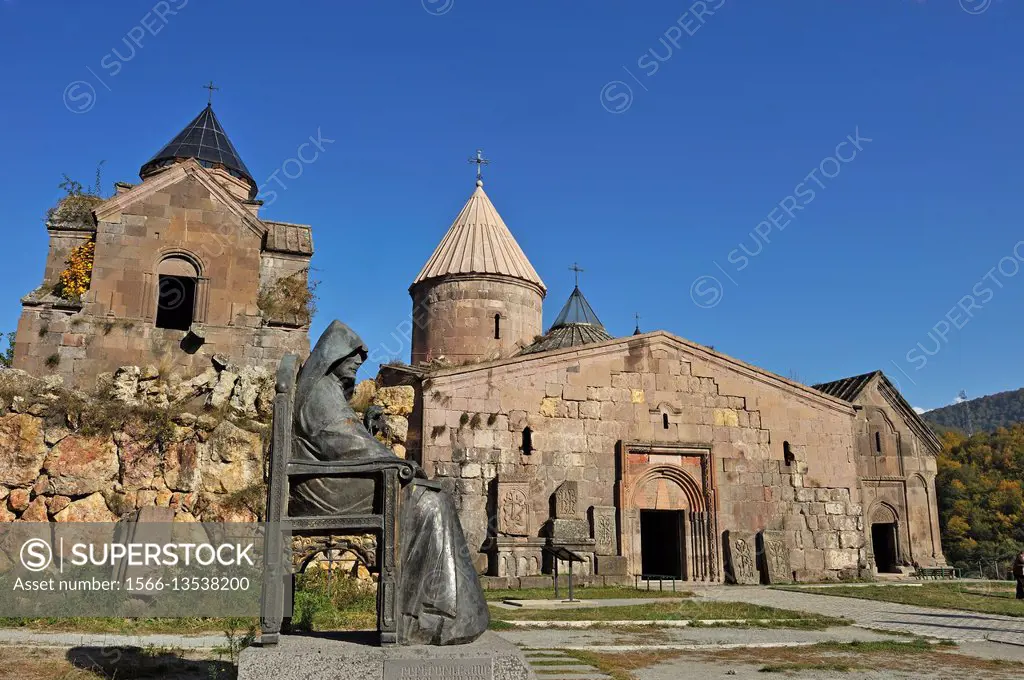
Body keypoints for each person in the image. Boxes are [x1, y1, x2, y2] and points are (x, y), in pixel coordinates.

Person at [290, 320, 489, 645]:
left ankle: (438, 611)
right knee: (429, 502)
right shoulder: (321, 394)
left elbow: (347, 440)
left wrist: (368, 432)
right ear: (334, 357)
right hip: (322, 489)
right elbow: (343, 444)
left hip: (330, 481)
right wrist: (399, 464)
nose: (357, 363)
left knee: (434, 496)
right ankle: (428, 615)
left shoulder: (326, 392)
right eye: (353, 356)